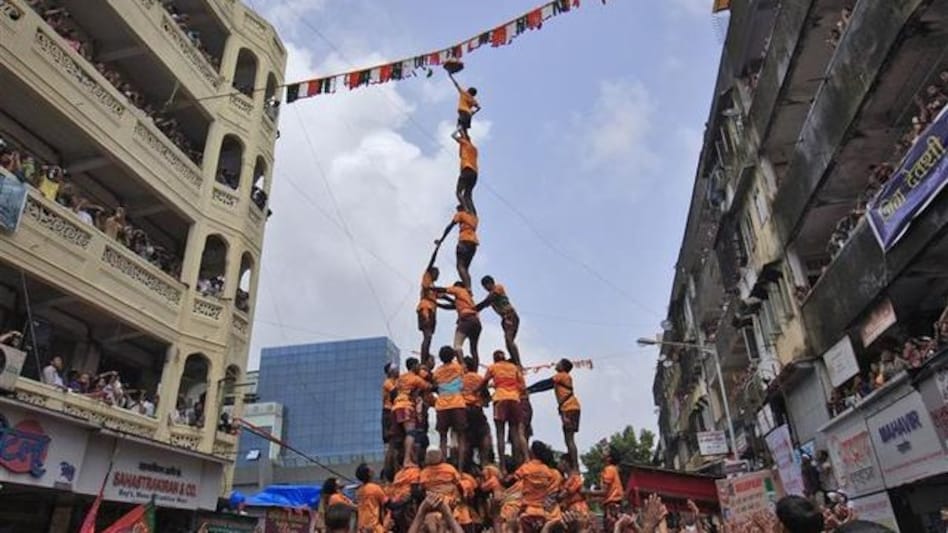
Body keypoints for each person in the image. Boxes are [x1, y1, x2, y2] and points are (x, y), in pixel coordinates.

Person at [480, 350, 528, 471]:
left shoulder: (493, 367)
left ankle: (502, 467)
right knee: (515, 433)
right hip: (515, 399)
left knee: (500, 434)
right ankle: (518, 466)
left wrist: (482, 393)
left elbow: (484, 383)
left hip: (500, 399)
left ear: (494, 359)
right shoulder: (514, 368)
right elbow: (522, 386)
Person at [514, 441, 562, 533]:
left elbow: (516, 478)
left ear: (532, 452)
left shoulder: (527, 467)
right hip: (543, 513)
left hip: (527, 511)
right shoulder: (548, 471)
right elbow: (552, 490)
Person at [393, 358, 432, 467]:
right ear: (414, 366)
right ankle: (407, 460)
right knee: (411, 433)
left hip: (396, 406)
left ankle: (405, 462)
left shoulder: (401, 378)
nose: (419, 367)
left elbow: (394, 390)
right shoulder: (415, 379)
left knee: (402, 436)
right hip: (406, 406)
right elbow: (429, 387)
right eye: (418, 365)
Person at [433, 346, 468, 466]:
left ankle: (442, 465)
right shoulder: (458, 368)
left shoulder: (437, 371)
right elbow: (464, 370)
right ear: (453, 356)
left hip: (442, 406)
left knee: (443, 438)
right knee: (461, 437)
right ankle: (460, 468)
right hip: (457, 404)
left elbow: (434, 384)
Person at [476, 276, 522, 367]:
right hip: (505, 319)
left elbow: (487, 301)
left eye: (486, 285)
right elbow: (484, 304)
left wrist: (475, 308)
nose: (485, 288)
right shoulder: (489, 295)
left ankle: (518, 363)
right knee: (508, 341)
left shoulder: (498, 288)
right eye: (484, 287)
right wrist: (473, 309)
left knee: (509, 339)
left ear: (491, 283)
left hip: (511, 316)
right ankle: (514, 359)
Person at [435, 281, 482, 368]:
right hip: (476, 322)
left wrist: (430, 288)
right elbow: (452, 305)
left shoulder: (459, 289)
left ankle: (463, 367)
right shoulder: (467, 298)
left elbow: (444, 289)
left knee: (457, 346)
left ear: (458, 286)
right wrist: (439, 303)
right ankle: (475, 371)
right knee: (474, 350)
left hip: (466, 320)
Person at [435, 204, 479, 291]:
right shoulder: (474, 217)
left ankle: (468, 288)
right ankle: (469, 287)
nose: (457, 211)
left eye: (458, 209)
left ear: (461, 209)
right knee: (465, 269)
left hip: (464, 241)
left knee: (460, 266)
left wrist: (441, 240)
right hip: (474, 243)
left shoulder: (460, 214)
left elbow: (449, 227)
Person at [461, 356, 493, 467]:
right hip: (477, 410)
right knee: (484, 434)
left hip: (463, 411)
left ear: (465, 366)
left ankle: (464, 465)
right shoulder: (479, 378)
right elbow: (487, 398)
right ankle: (484, 463)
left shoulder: (460, 379)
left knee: (464, 438)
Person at [553, 359, 581, 471]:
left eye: (559, 362)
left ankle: (575, 467)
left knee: (569, 439)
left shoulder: (561, 375)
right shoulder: (565, 377)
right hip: (573, 407)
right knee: (569, 438)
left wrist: (530, 389)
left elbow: (546, 384)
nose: (556, 363)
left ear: (563, 367)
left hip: (568, 408)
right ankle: (574, 464)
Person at [451, 130, 478, 214]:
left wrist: (459, 130)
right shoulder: (474, 149)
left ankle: (466, 209)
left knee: (458, 192)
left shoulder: (464, 143)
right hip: (475, 173)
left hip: (466, 169)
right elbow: (461, 153)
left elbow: (453, 135)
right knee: (468, 195)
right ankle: (473, 213)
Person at [356, 463, 388, 533]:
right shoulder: (375, 488)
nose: (373, 470)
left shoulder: (359, 491)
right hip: (373, 527)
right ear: (369, 473)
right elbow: (386, 502)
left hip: (362, 527)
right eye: (371, 469)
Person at [382, 363, 399, 473]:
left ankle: (394, 469)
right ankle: (389, 471)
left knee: (395, 443)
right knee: (391, 444)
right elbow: (395, 393)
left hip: (393, 411)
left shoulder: (395, 382)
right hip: (389, 412)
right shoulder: (388, 382)